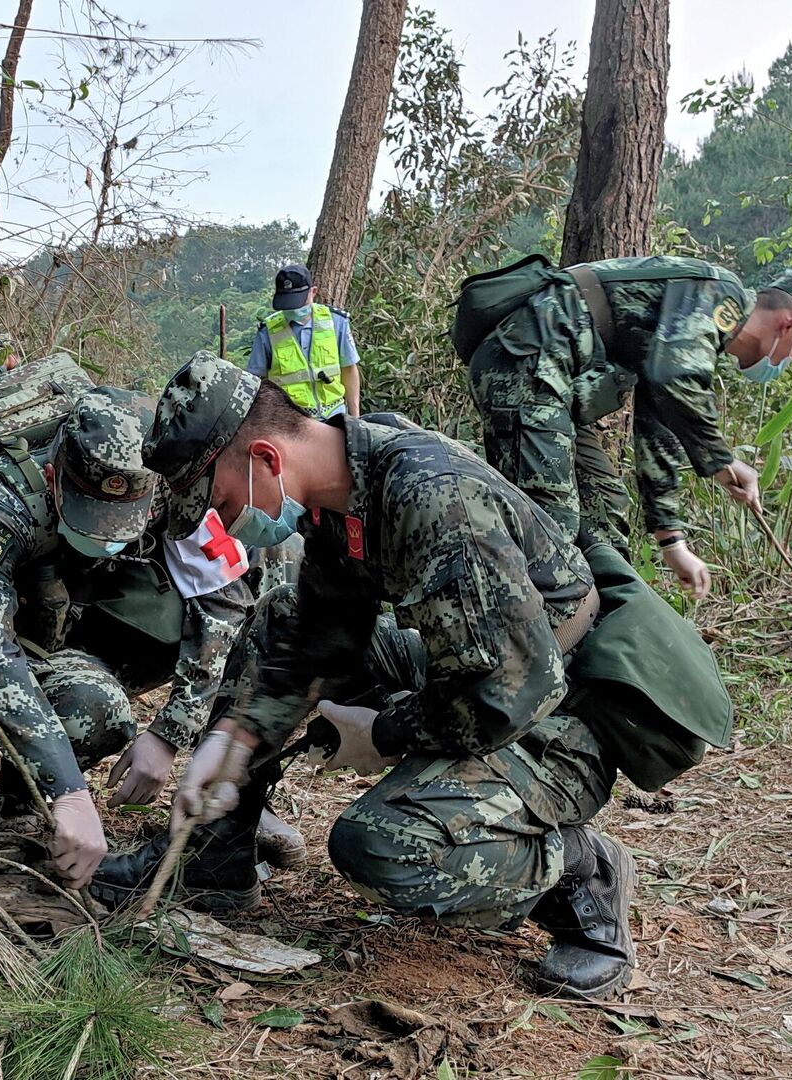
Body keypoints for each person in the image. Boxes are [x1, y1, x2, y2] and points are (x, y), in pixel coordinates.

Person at [111, 356, 733, 1000]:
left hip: (560, 708)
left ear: (266, 459)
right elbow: (319, 636)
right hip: (473, 667)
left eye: (220, 500)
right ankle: (218, 851)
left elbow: (509, 693)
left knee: (380, 845)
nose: (225, 520)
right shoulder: (342, 488)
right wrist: (238, 739)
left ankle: (583, 874)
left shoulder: (430, 497)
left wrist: (382, 730)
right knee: (281, 617)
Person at [0, 386, 301, 891]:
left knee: (275, 588)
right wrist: (68, 790)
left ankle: (227, 808)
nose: (109, 535)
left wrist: (170, 734)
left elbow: (222, 601)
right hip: (43, 635)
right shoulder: (6, 502)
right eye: (94, 521)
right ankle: (23, 801)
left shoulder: (168, 477)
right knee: (93, 710)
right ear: (54, 479)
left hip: (118, 614)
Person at [460, 258, 792, 598]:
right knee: (550, 527)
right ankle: (513, 646)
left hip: (549, 380)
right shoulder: (719, 293)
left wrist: (671, 540)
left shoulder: (697, 331)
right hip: (525, 364)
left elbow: (658, 422)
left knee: (604, 511)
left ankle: (601, 634)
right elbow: (672, 378)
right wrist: (722, 462)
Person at [246, 263, 362, 420]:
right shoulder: (268, 331)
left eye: (297, 301)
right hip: (290, 421)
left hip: (334, 416)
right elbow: (256, 381)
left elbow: (349, 369)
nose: (293, 308)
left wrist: (356, 419)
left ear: (313, 292)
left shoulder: (336, 322)